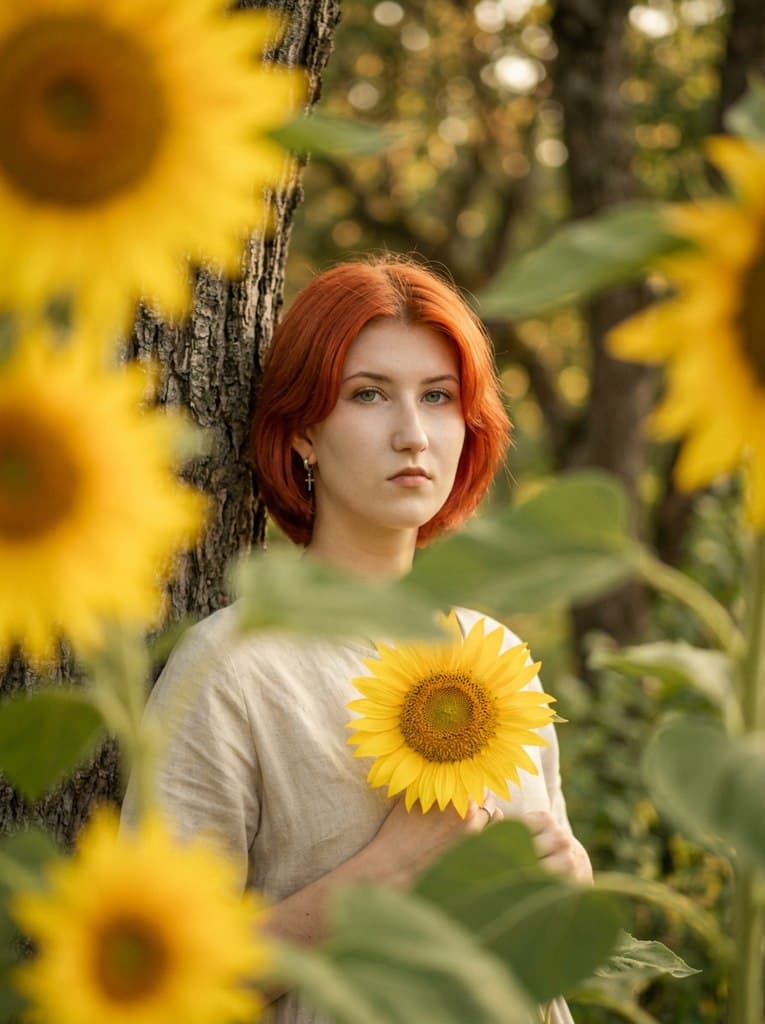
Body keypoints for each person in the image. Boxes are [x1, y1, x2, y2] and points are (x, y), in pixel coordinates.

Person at [121, 256, 592, 1023]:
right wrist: (388, 867)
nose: (412, 434)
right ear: (304, 430)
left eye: (437, 398)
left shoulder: (497, 659)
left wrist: (564, 888)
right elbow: (157, 987)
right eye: (368, 394)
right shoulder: (235, 667)